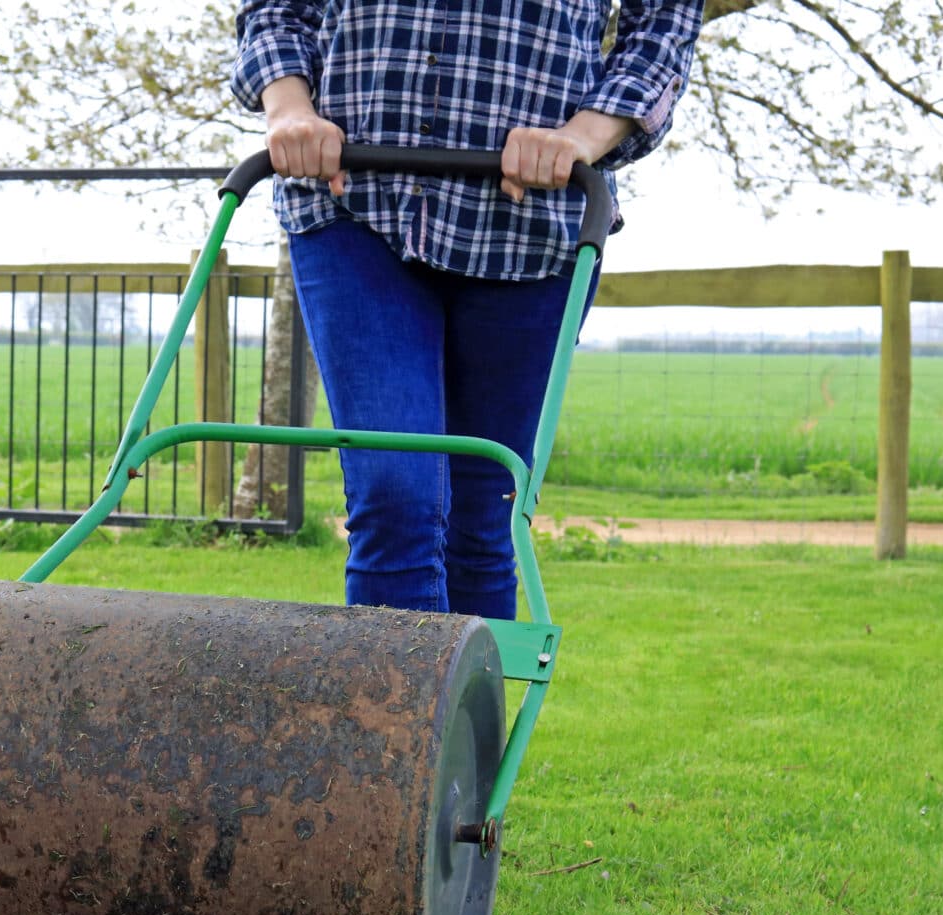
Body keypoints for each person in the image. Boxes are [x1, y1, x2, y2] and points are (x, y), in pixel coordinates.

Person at [233, 0, 701, 617]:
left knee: (483, 518)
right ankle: (393, 713)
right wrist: (291, 109)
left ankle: (467, 714)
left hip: (532, 227)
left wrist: (580, 137)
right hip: (354, 201)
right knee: (395, 495)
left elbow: (663, 27)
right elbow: (276, 8)